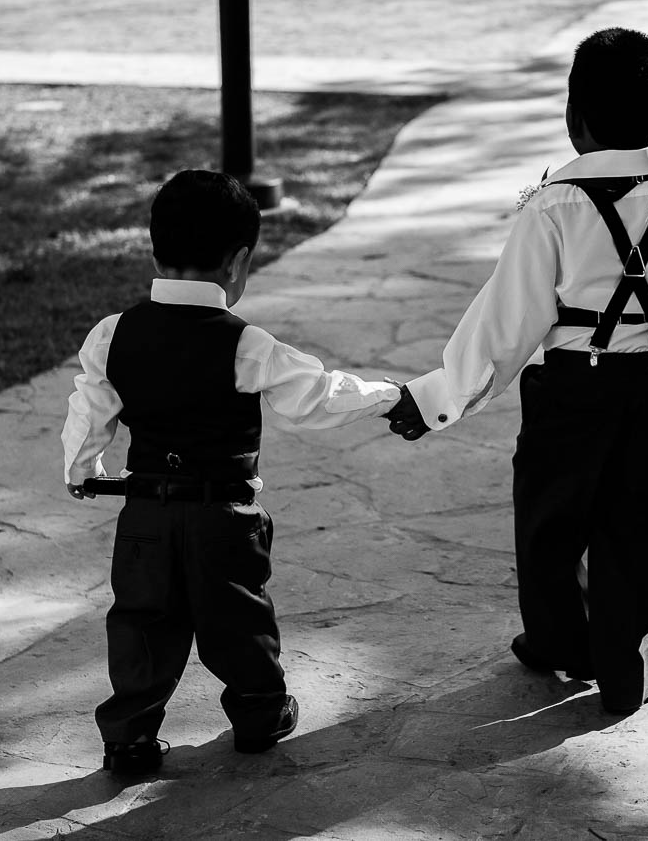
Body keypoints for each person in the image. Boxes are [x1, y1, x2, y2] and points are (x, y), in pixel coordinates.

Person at [388, 29, 648, 717]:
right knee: (640, 531)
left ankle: (562, 640)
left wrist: (438, 398)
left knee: (549, 526)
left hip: (574, 393)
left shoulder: (554, 208)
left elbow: (506, 325)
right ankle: (629, 661)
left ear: (575, 119)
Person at [62, 169, 404, 776]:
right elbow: (319, 396)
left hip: (146, 513)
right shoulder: (246, 344)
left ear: (155, 247)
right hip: (225, 515)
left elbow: (91, 411)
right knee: (239, 618)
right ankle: (258, 713)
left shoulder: (113, 334)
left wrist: (82, 469)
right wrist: (391, 396)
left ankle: (130, 739)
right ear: (238, 263)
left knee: (141, 623)